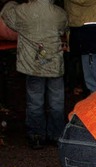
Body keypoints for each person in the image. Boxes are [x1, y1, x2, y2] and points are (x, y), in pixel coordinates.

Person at [2, 0, 68, 149]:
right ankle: (56, 135)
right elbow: (64, 28)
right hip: (54, 64)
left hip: (33, 65)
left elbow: (7, 17)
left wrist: (10, 3)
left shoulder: (22, 11)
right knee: (57, 101)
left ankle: (36, 136)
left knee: (35, 101)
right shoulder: (59, 13)